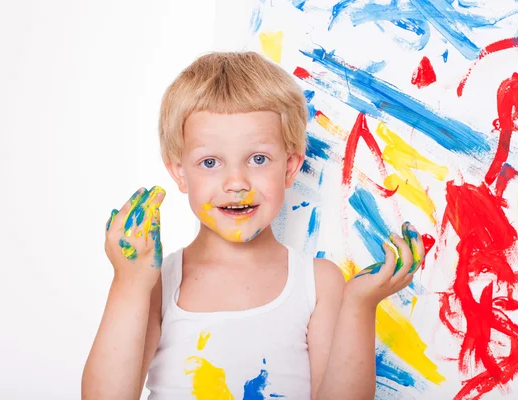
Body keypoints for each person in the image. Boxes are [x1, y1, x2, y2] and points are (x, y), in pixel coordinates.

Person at [82, 51, 425, 400]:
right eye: (210, 161)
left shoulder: (318, 283)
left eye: (258, 159)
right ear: (179, 172)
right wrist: (129, 281)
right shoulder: (156, 283)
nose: (236, 181)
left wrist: (359, 306)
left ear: (290, 167)